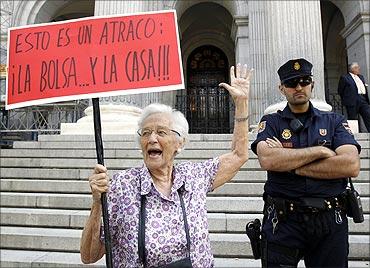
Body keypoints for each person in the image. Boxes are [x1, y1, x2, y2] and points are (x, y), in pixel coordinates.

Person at [80, 64, 253, 267]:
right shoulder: (122, 186)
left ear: (180, 143)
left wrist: (241, 104)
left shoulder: (194, 177)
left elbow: (239, 155)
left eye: (161, 132)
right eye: (146, 133)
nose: (152, 139)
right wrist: (97, 203)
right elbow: (89, 255)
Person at [251, 58, 361, 267]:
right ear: (282, 88)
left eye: (304, 81)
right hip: (283, 221)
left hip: (329, 219)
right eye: (292, 83)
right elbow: (267, 159)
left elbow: (350, 165)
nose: (299, 87)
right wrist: (321, 151)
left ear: (313, 84)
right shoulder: (271, 123)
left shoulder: (334, 121)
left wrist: (290, 162)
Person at [338, 62, 370, 132]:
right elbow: (340, 90)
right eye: (357, 67)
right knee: (352, 118)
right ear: (353, 69)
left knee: (368, 114)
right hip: (352, 100)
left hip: (363, 99)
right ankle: (354, 133)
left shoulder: (361, 77)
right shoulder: (345, 77)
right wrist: (346, 99)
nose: (359, 69)